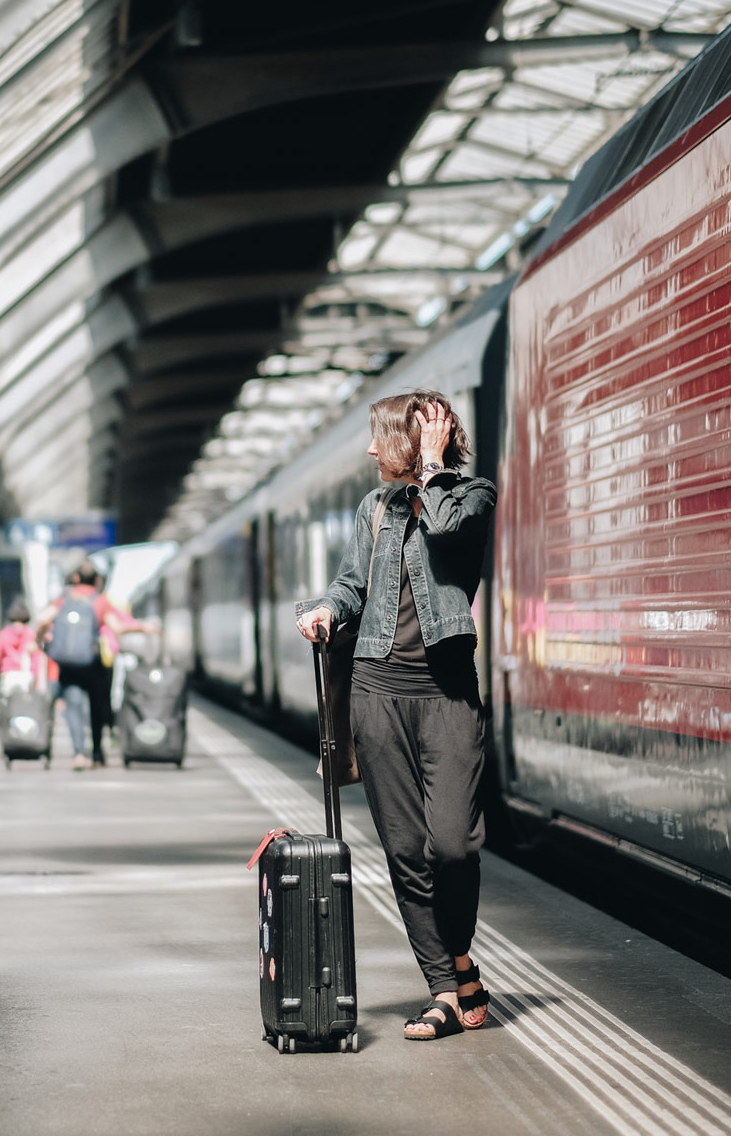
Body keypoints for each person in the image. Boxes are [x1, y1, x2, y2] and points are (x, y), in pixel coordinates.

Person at [297, 391, 497, 1044]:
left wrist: (434, 469)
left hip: (446, 695)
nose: (369, 449)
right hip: (377, 693)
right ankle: (444, 988)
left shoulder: (472, 498)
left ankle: (460, 960)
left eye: (380, 436)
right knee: (407, 849)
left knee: (453, 844)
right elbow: (353, 583)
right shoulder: (373, 509)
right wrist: (326, 607)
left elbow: (442, 530)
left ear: (416, 441)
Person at [38, 561, 158, 770]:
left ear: (75, 579)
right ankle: (97, 753)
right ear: (96, 581)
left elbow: (41, 619)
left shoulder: (63, 599)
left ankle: (78, 753)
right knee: (96, 707)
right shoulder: (99, 601)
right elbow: (117, 627)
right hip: (92, 663)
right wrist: (141, 628)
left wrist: (40, 641)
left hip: (68, 665)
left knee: (73, 707)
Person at [0, 597, 54, 697]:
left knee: (7, 705)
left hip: (8, 674)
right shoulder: (30, 634)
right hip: (26, 675)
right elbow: (36, 657)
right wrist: (35, 676)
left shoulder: (4, 634)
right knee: (24, 706)